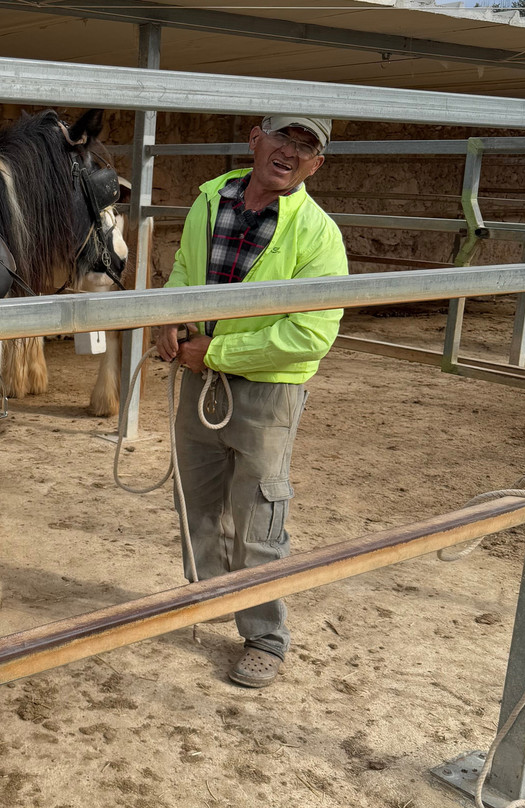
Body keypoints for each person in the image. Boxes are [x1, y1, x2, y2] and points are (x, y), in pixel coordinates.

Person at [155, 114, 348, 688]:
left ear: (317, 165)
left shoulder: (318, 232)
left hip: (268, 389)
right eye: (283, 137)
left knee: (261, 514)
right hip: (200, 376)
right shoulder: (209, 202)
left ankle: (266, 634)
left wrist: (214, 353)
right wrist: (170, 318)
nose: (289, 152)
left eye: (305, 147)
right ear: (255, 141)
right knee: (197, 500)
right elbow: (185, 274)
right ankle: (210, 598)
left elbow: (312, 333)